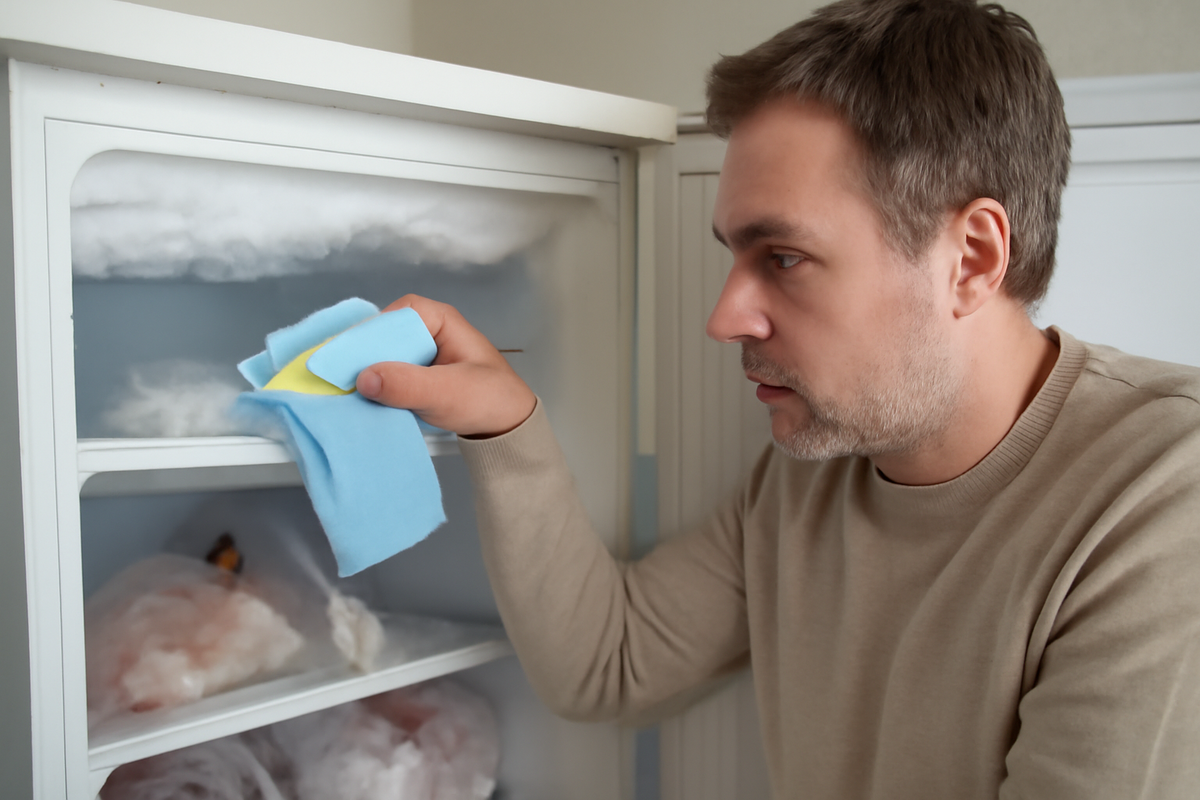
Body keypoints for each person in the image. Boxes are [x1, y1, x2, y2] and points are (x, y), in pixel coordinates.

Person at [355, 0, 1200, 797]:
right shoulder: (812, 474)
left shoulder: (1159, 501)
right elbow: (608, 663)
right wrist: (505, 425)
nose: (724, 318)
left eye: (784, 258)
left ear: (972, 259)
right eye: (734, 255)